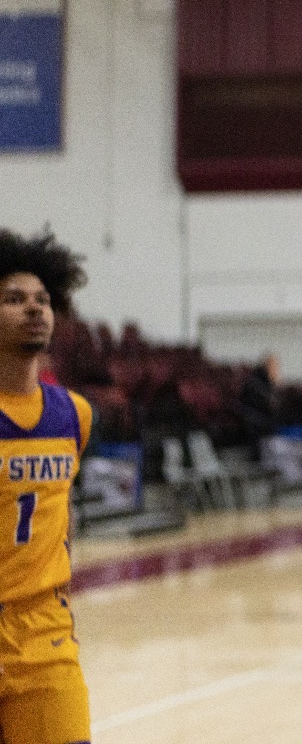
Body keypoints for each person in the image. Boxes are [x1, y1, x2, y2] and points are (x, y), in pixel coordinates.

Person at [0, 228, 96, 744]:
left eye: (41, 300)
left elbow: (61, 518)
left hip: (44, 633)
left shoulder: (74, 416)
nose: (33, 309)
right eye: (14, 300)